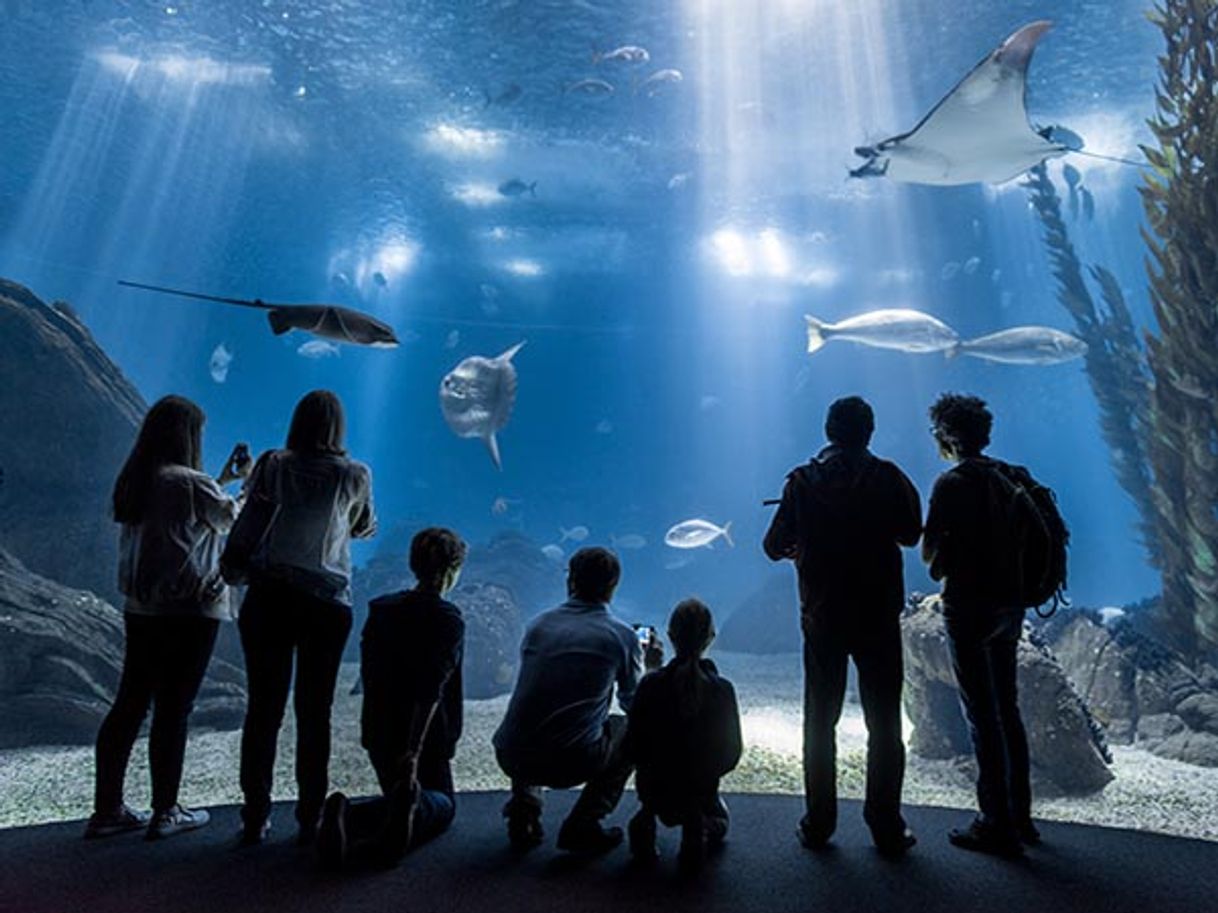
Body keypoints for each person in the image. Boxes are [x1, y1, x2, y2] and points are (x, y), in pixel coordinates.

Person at [87, 395, 250, 841]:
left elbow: (191, 516)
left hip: (142, 610)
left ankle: (107, 809)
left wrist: (221, 480)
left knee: (129, 703)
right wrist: (246, 485)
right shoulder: (192, 483)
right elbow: (227, 519)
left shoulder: (136, 480)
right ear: (188, 436)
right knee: (174, 708)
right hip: (189, 611)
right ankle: (166, 811)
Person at [764, 395, 922, 855]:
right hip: (877, 613)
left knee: (820, 720)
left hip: (823, 614)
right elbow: (911, 534)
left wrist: (801, 544)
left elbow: (772, 545)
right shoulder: (889, 476)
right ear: (869, 432)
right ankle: (886, 823)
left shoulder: (802, 480)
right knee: (885, 722)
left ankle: (819, 822)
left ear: (828, 431)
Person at [236, 390, 377, 846]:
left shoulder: (272, 464)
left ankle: (255, 813)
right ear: (339, 427)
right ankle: (310, 813)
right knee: (315, 712)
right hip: (326, 602)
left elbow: (252, 517)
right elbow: (361, 525)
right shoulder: (355, 474)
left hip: (269, 597)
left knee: (263, 709)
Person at [923, 393, 1036, 856]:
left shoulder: (951, 483)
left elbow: (930, 554)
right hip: (1011, 605)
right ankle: (1021, 816)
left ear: (948, 436)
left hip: (968, 606)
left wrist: (944, 560)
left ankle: (994, 822)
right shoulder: (1011, 476)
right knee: (1007, 708)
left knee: (981, 714)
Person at [492, 547, 662, 855]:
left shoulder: (538, 626)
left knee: (535, 712)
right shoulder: (621, 636)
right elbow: (636, 708)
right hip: (570, 763)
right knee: (631, 730)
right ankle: (584, 823)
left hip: (511, 754)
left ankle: (524, 810)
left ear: (570, 580)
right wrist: (651, 670)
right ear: (613, 586)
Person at [317, 527, 467, 871]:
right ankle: (392, 818)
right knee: (442, 805)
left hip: (379, 732)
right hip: (425, 740)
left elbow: (370, 673)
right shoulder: (447, 618)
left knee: (398, 800)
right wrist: (414, 750)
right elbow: (430, 689)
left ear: (414, 563)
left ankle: (347, 815)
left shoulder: (382, 609)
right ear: (453, 569)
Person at [623, 598, 742, 871]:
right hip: (700, 789)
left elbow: (632, 744)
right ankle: (697, 823)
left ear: (670, 636)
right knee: (721, 823)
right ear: (711, 637)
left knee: (656, 795)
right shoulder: (722, 689)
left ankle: (645, 818)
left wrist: (651, 671)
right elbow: (731, 753)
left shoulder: (650, 684)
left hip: (653, 788)